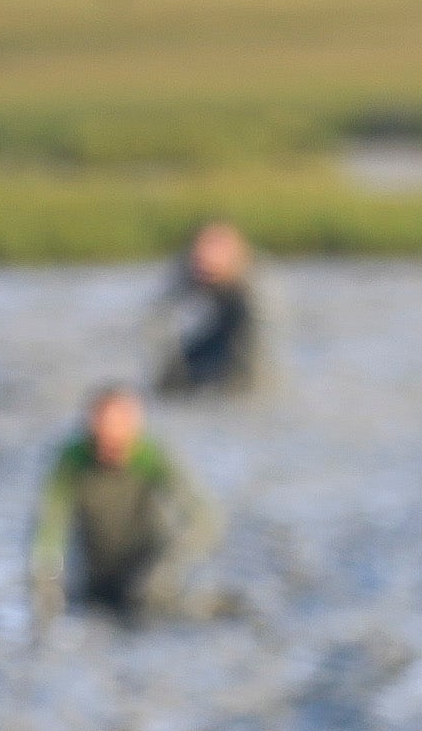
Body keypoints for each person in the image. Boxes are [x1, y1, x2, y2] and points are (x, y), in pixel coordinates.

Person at [29, 385, 221, 630]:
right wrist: (45, 584)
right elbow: (49, 529)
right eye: (103, 430)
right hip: (96, 580)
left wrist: (167, 569)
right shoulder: (72, 461)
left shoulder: (152, 456)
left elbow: (205, 519)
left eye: (121, 428)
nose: (111, 440)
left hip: (149, 580)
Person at [154, 221, 266, 397]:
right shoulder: (186, 268)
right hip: (216, 331)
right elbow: (158, 319)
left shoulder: (256, 285)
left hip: (242, 343)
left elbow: (257, 352)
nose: (206, 261)